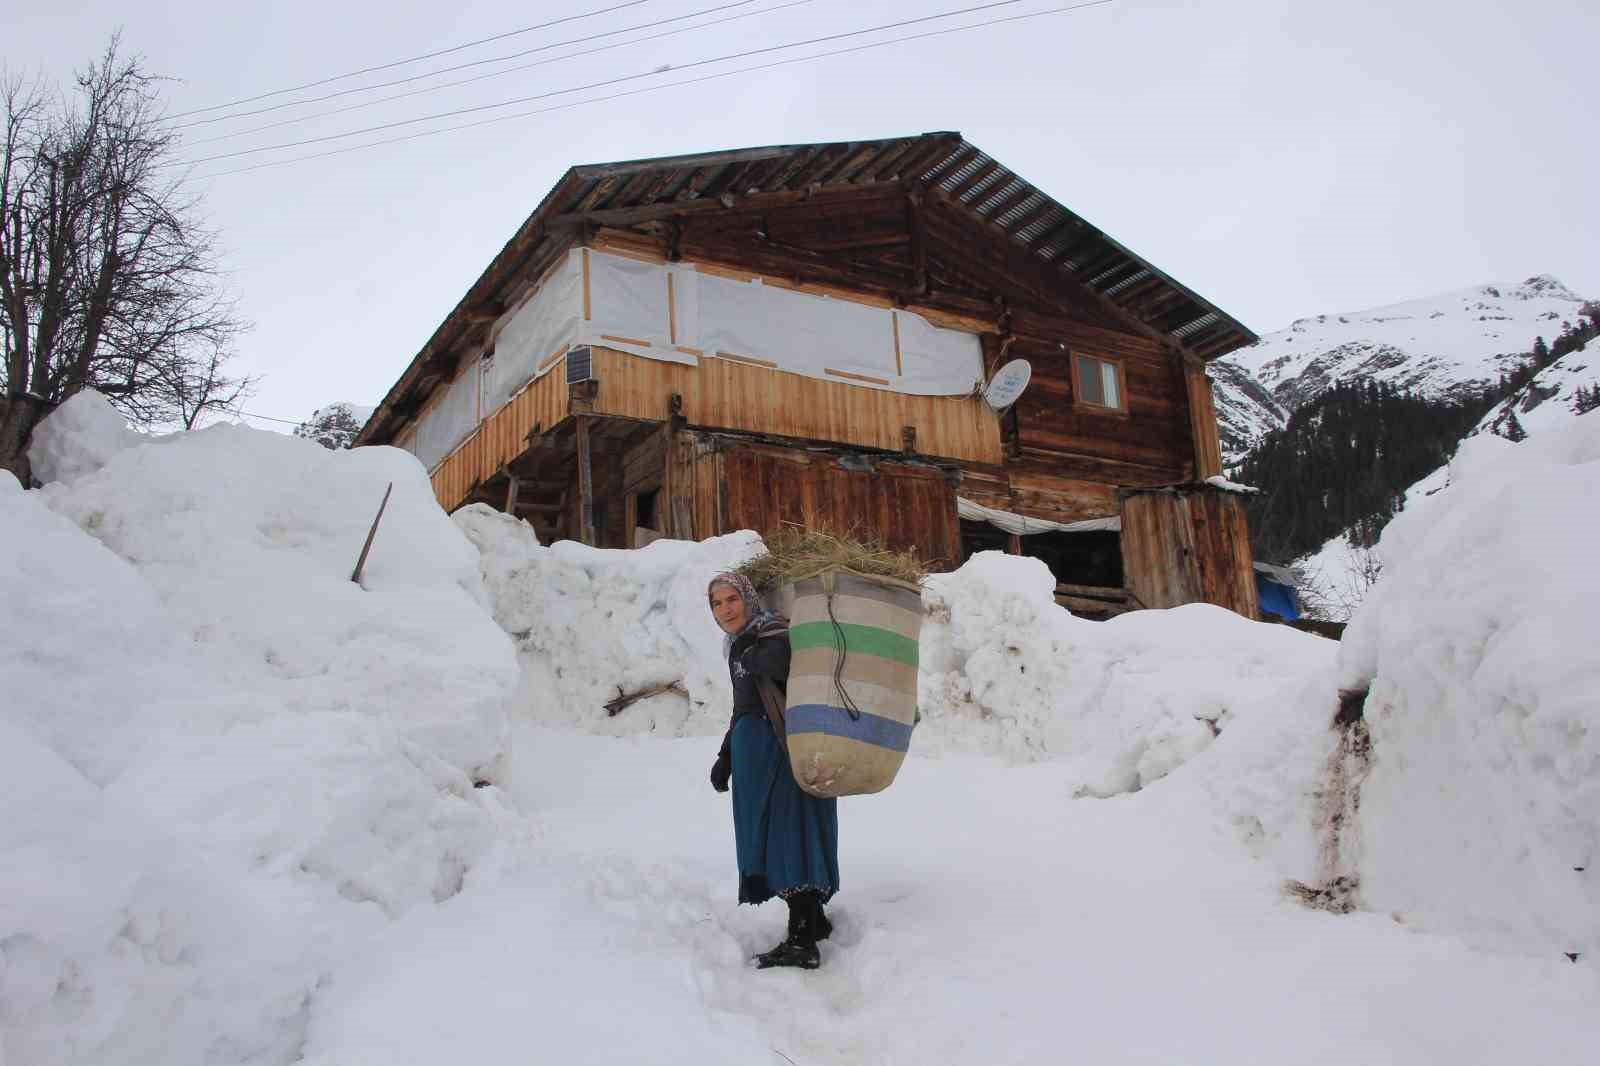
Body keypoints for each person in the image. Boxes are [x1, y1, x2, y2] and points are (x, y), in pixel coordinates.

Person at [707, 571, 839, 970]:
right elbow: (743, 704)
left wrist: (749, 648)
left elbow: (782, 664)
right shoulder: (737, 643)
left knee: (787, 829)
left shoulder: (772, 630)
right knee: (777, 830)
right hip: (754, 747)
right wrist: (726, 754)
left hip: (780, 746)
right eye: (717, 603)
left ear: (748, 598)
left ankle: (801, 941)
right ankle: (812, 921)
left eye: (732, 599)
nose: (725, 609)